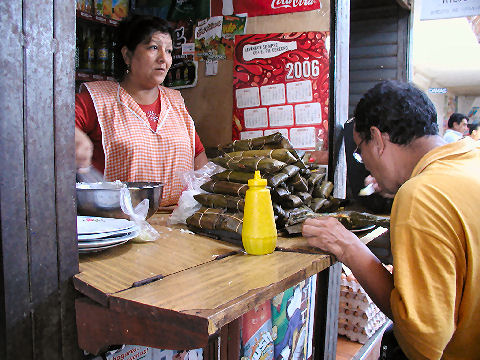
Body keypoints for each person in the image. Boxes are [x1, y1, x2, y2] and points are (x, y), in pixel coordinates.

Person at [302, 80, 480, 359]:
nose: (366, 164)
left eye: (360, 151)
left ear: (378, 138)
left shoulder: (422, 195)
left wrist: (349, 247)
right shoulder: (470, 159)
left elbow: (422, 344)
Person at [75, 15, 208, 206]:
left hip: (176, 222)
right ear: (127, 55)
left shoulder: (175, 102)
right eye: (154, 48)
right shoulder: (97, 100)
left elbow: (198, 159)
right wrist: (72, 136)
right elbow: (56, 123)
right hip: (118, 222)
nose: (164, 58)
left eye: (169, 51)